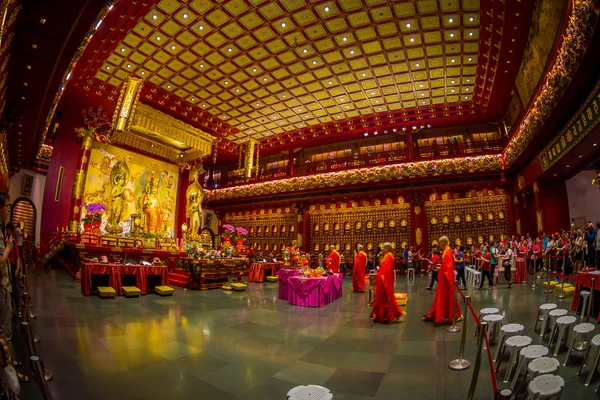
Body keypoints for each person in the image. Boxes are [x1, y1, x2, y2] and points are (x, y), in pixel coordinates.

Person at [423, 236, 462, 324]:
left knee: (446, 298)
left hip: (446, 281)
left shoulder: (448, 252)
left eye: (440, 243)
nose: (439, 245)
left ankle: (449, 315)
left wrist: (440, 269)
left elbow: (448, 268)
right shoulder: (445, 251)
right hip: (443, 280)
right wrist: (440, 267)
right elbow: (445, 265)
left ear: (444, 243)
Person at [370, 243, 405, 324]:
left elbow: (385, 271)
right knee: (386, 298)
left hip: (384, 281)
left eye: (383, 248)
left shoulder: (388, 257)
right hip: (386, 280)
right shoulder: (388, 256)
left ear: (387, 248)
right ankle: (384, 315)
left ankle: (384, 316)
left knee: (383, 299)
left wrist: (379, 275)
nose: (382, 249)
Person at [4, 224, 21, 319]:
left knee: (14, 288)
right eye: (6, 230)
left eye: (8, 231)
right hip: (6, 266)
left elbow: (18, 257)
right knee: (8, 289)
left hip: (13, 267)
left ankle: (18, 308)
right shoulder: (5, 241)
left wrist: (18, 268)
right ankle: (11, 310)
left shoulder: (14, 243)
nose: (7, 232)